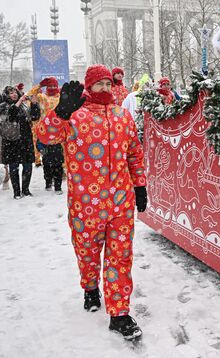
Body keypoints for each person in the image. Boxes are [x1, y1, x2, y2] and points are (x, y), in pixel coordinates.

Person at [36, 64, 148, 340]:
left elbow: (134, 153)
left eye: (109, 84)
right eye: (100, 84)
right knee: (87, 253)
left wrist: (140, 185)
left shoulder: (123, 116)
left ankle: (119, 313)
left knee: (120, 257)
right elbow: (44, 137)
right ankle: (89, 287)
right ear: (89, 86)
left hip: (120, 202)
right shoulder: (75, 115)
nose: (106, 89)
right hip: (85, 202)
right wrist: (62, 111)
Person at [0, 86, 41, 198]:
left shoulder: (24, 105)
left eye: (14, 92)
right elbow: (12, 116)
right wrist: (20, 101)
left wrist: (34, 104)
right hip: (11, 141)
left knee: (28, 166)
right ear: (6, 95)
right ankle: (16, 192)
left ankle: (26, 190)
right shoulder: (3, 106)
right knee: (14, 167)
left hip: (25, 139)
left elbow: (35, 116)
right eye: (10, 93)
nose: (13, 94)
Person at [27, 77, 62, 167]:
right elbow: (29, 95)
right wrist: (39, 85)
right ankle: (40, 161)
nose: (53, 88)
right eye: (50, 86)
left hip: (59, 127)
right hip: (44, 127)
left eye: (55, 86)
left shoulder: (61, 96)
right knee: (45, 150)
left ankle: (62, 168)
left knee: (60, 150)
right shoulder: (42, 97)